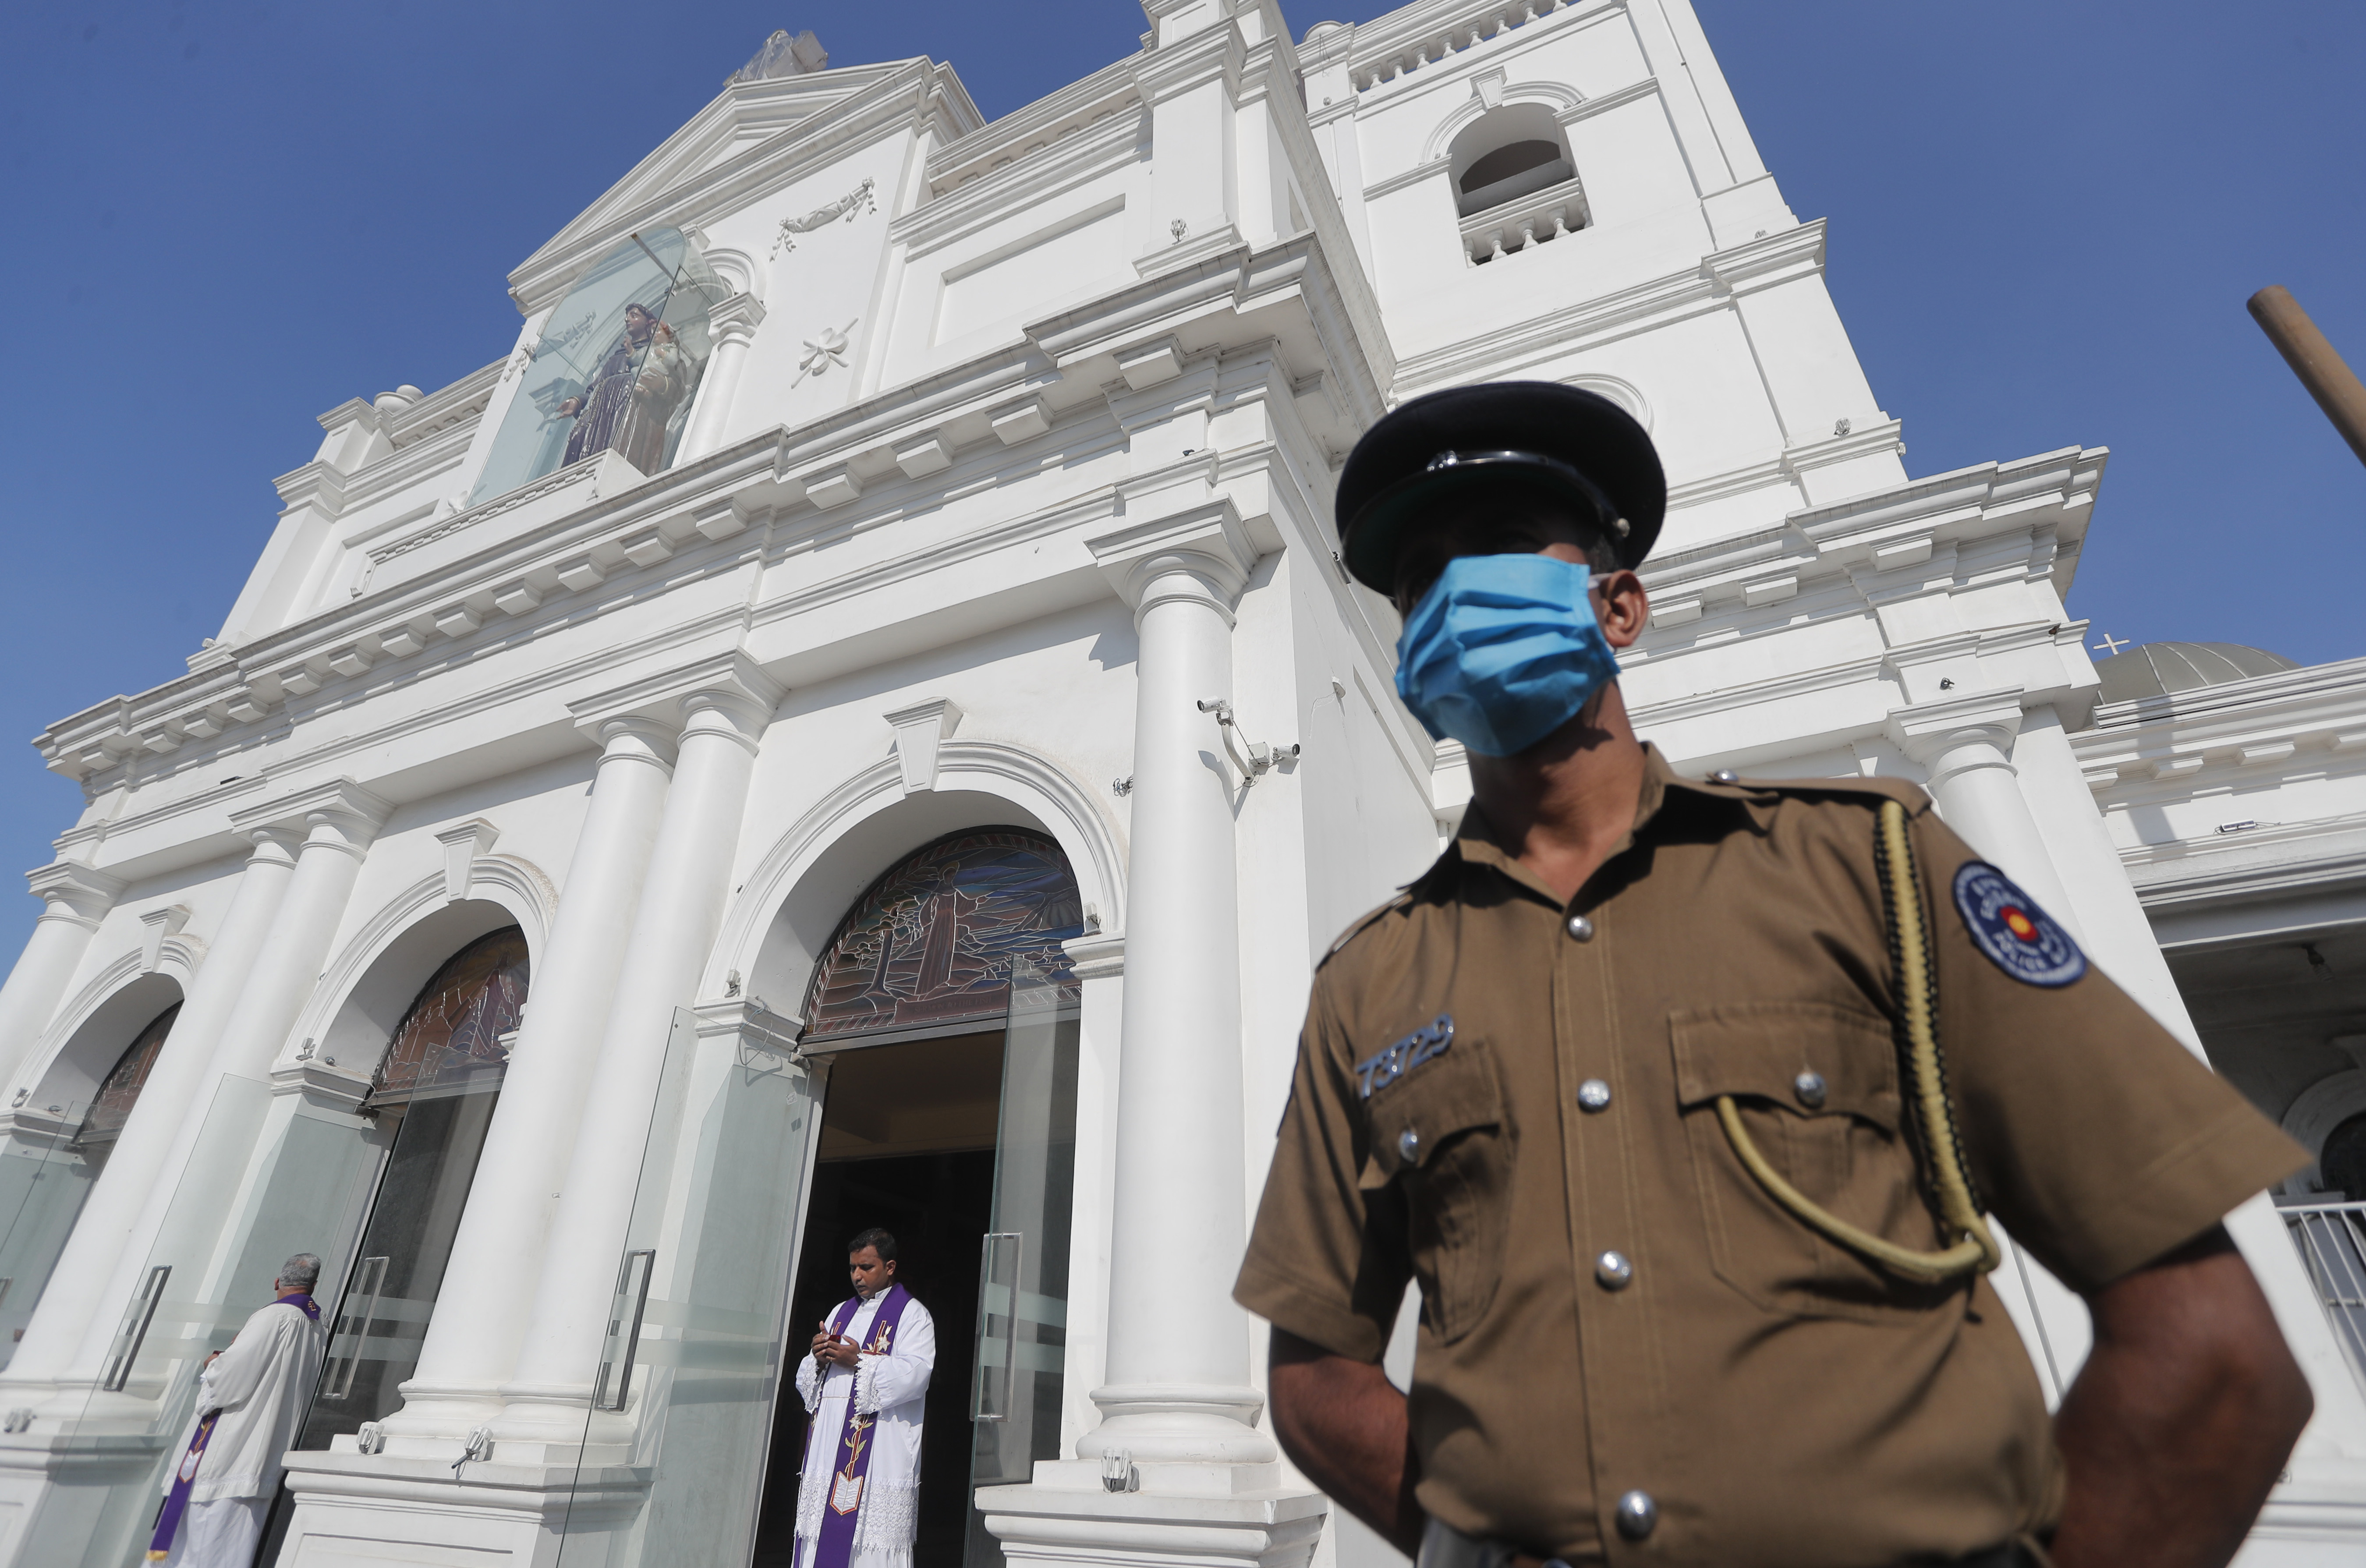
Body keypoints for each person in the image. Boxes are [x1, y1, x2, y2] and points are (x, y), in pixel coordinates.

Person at [1234, 382, 2316, 1568]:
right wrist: (1468, 1546)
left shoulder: (1867, 864)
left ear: (1621, 604)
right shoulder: (1369, 981)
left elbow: (2214, 1348)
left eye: (1495, 551)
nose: (1450, 598)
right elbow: (1317, 1372)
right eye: (1418, 582)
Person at [149, 1252, 329, 1565]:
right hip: (262, 1457)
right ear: (314, 1285)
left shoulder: (273, 1317)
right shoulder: (318, 1324)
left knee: (199, 1549)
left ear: (277, 1281)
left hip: (228, 1453)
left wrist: (213, 1364)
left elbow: (230, 1380)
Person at [794, 1228, 936, 1568]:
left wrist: (858, 1361)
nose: (857, 1276)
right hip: (829, 1449)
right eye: (853, 1267)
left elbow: (918, 1374)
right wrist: (817, 1356)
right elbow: (807, 1383)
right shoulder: (840, 1311)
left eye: (866, 1267)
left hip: (879, 1451)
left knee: (869, 1543)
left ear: (890, 1266)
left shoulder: (914, 1315)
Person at [558, 303, 693, 473]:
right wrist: (577, 401)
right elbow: (595, 388)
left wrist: (661, 384)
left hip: (635, 412)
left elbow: (678, 387)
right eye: (628, 316)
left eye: (634, 316)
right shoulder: (618, 356)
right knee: (578, 438)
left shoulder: (660, 353)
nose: (627, 319)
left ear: (648, 323)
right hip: (601, 412)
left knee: (620, 450)